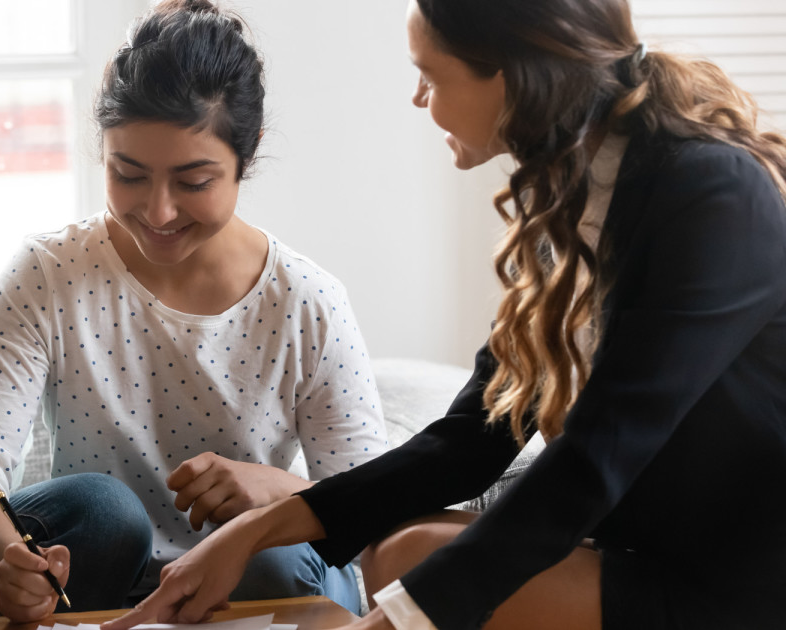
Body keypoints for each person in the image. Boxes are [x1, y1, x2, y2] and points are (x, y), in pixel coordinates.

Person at [102, 0, 786, 629]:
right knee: (398, 550)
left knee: (410, 579)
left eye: (430, 74)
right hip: (642, 547)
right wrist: (250, 532)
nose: (418, 97)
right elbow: (469, 441)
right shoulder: (566, 201)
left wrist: (395, 623)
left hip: (733, 582)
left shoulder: (711, 193)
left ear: (513, 78)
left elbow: (599, 454)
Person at [0, 0, 388, 622]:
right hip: (100, 576)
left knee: (268, 553)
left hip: (253, 582)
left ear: (244, 156)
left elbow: (378, 501)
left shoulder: (308, 302)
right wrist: (11, 559)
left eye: (194, 182)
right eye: (129, 175)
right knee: (104, 511)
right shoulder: (50, 271)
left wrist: (275, 491)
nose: (159, 211)